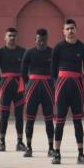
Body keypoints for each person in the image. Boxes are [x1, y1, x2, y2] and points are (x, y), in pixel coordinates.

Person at [50, 19, 84, 165]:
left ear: (76, 29)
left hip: (77, 87)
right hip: (61, 85)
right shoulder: (58, 47)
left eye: (72, 28)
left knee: (77, 121)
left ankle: (80, 154)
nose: (70, 31)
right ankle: (57, 153)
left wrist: (79, 82)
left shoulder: (83, 48)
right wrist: (60, 82)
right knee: (59, 121)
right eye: (67, 29)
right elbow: (53, 70)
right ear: (63, 31)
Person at [20, 28, 55, 158]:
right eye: (39, 40)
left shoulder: (52, 52)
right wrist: (28, 86)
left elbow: (56, 71)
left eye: (44, 40)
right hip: (33, 87)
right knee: (30, 119)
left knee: (49, 119)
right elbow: (23, 72)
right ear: (35, 39)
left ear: (47, 39)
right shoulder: (29, 53)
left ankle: (51, 148)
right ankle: (28, 147)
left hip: (47, 87)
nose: (41, 42)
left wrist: (53, 85)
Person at [0, 27, 27, 152]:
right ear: (5, 37)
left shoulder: (23, 52)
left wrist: (25, 83)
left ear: (17, 37)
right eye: (10, 36)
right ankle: (2, 142)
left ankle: (20, 142)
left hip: (19, 86)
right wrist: (1, 83)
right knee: (4, 115)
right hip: (5, 86)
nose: (12, 38)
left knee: (19, 115)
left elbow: (27, 69)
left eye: (14, 36)